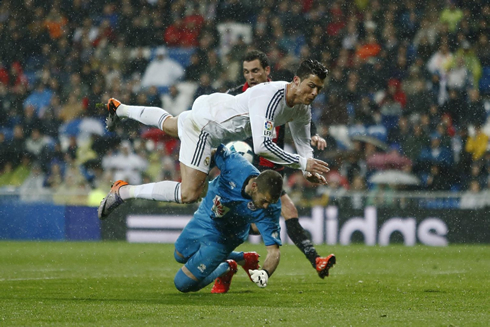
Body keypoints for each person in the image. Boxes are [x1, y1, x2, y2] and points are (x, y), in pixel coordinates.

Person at [99, 59, 331, 218]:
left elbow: (303, 144)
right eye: (311, 86)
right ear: (297, 80)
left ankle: (120, 109)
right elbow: (262, 147)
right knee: (189, 193)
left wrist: (307, 167)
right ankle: (123, 192)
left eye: (318, 89)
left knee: (170, 124)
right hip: (205, 129)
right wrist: (302, 163)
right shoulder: (270, 96)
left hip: (213, 107)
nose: (314, 93)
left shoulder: (302, 108)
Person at [105, 144, 284, 293]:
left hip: (224, 238)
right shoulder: (236, 165)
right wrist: (201, 180)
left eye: (271, 202)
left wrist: (265, 273)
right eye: (265, 200)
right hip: (207, 214)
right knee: (180, 255)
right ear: (254, 186)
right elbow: (212, 153)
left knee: (182, 284)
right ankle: (240, 259)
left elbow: (274, 251)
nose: (267, 206)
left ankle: (226, 266)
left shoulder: (271, 209)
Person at [227, 50, 335, 278]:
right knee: (258, 222)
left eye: (255, 70)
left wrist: (312, 136)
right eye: (246, 72)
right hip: (251, 166)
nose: (251, 76)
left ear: (267, 71)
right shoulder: (239, 96)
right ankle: (229, 259)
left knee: (276, 215)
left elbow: (301, 116)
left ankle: (315, 259)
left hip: (275, 164)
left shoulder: (284, 94)